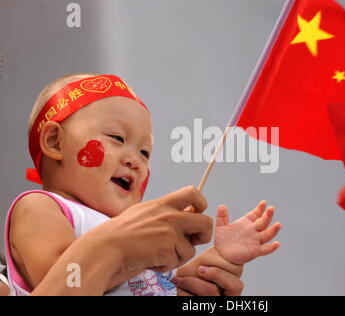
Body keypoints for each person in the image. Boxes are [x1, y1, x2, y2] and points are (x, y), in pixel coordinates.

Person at [4, 73, 282, 296]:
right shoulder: (41, 208)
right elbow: (64, 279)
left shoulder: (141, 232)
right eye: (117, 138)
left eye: (145, 153)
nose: (135, 161)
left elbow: (168, 287)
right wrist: (124, 249)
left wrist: (212, 267)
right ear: (55, 142)